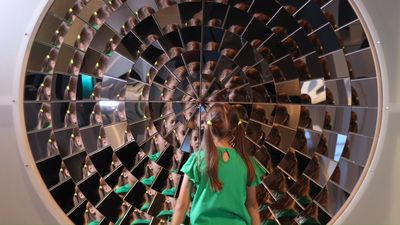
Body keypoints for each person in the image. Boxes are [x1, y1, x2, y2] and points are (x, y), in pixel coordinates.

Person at [171, 103, 266, 225]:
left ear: (208, 126)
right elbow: (252, 206)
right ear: (235, 128)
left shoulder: (197, 160)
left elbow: (181, 204)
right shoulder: (247, 163)